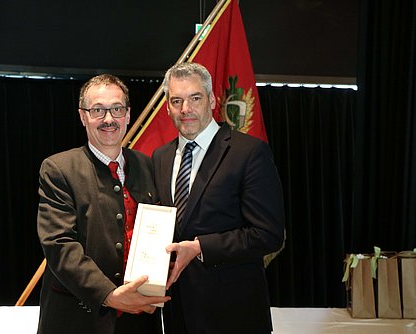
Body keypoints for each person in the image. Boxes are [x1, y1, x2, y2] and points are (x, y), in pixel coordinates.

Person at [152, 62, 285, 334]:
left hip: (234, 314)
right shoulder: (160, 157)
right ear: (167, 107)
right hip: (177, 314)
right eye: (176, 100)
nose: (185, 109)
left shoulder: (249, 153)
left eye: (195, 98)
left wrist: (201, 247)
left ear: (212, 100)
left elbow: (268, 234)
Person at [37, 74, 170, 334]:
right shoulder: (58, 169)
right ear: (83, 116)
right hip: (79, 319)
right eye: (98, 110)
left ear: (128, 114)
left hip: (140, 317)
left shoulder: (148, 165)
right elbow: (58, 245)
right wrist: (109, 294)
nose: (108, 119)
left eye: (116, 109)